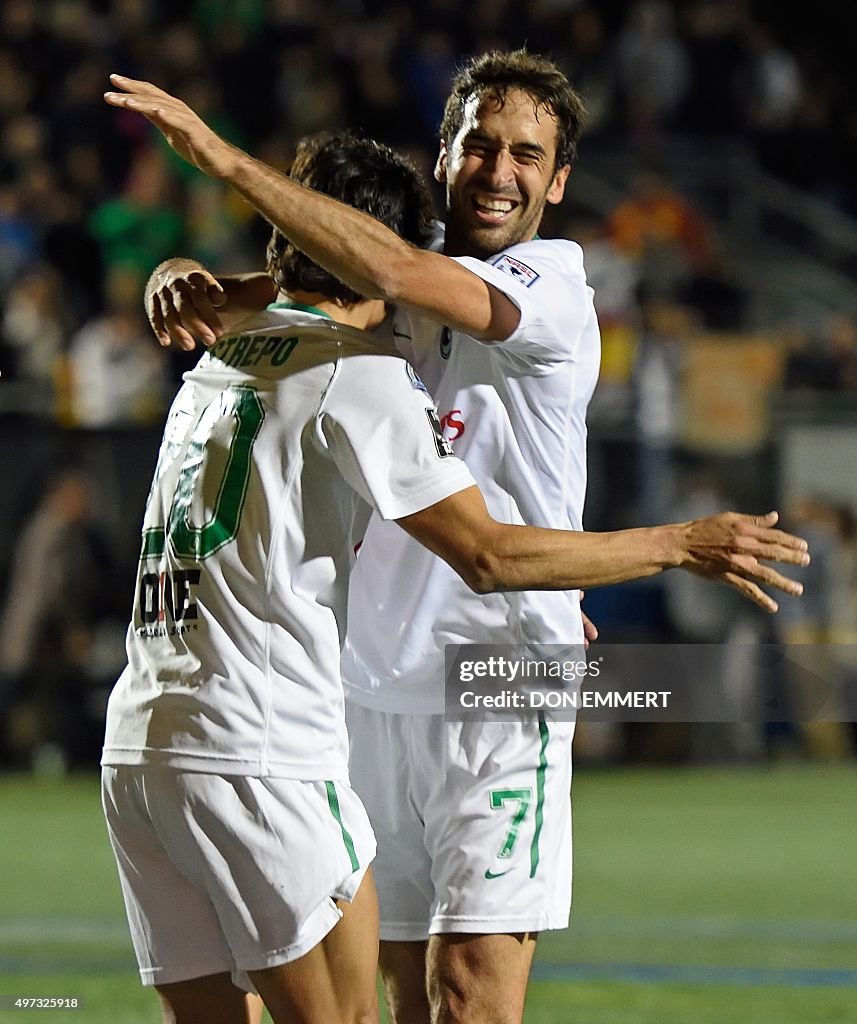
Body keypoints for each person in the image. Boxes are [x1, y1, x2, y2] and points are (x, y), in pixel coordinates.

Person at [104, 55, 810, 1024]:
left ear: (558, 182)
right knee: (381, 993)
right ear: (443, 155)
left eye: (528, 153)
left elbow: (384, 273)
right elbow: (297, 286)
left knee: (468, 994)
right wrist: (183, 277)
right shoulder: (380, 270)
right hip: (360, 684)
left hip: (501, 672)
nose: (498, 169)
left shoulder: (548, 283)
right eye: (479, 144)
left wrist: (223, 161)